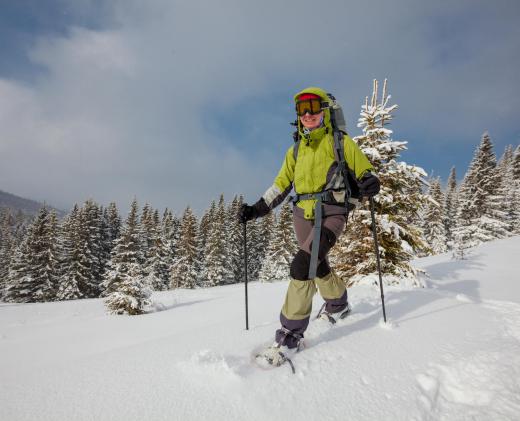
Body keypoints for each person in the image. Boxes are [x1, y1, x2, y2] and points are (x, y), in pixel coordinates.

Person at [240, 87, 380, 366]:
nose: (307, 114)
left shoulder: (340, 142)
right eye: (301, 109)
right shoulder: (296, 150)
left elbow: (364, 169)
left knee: (302, 266)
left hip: (332, 213)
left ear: (325, 110)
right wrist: (257, 208)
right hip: (302, 215)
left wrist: (369, 180)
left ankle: (289, 337)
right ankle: (338, 305)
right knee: (317, 264)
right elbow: (280, 185)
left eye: (313, 107)